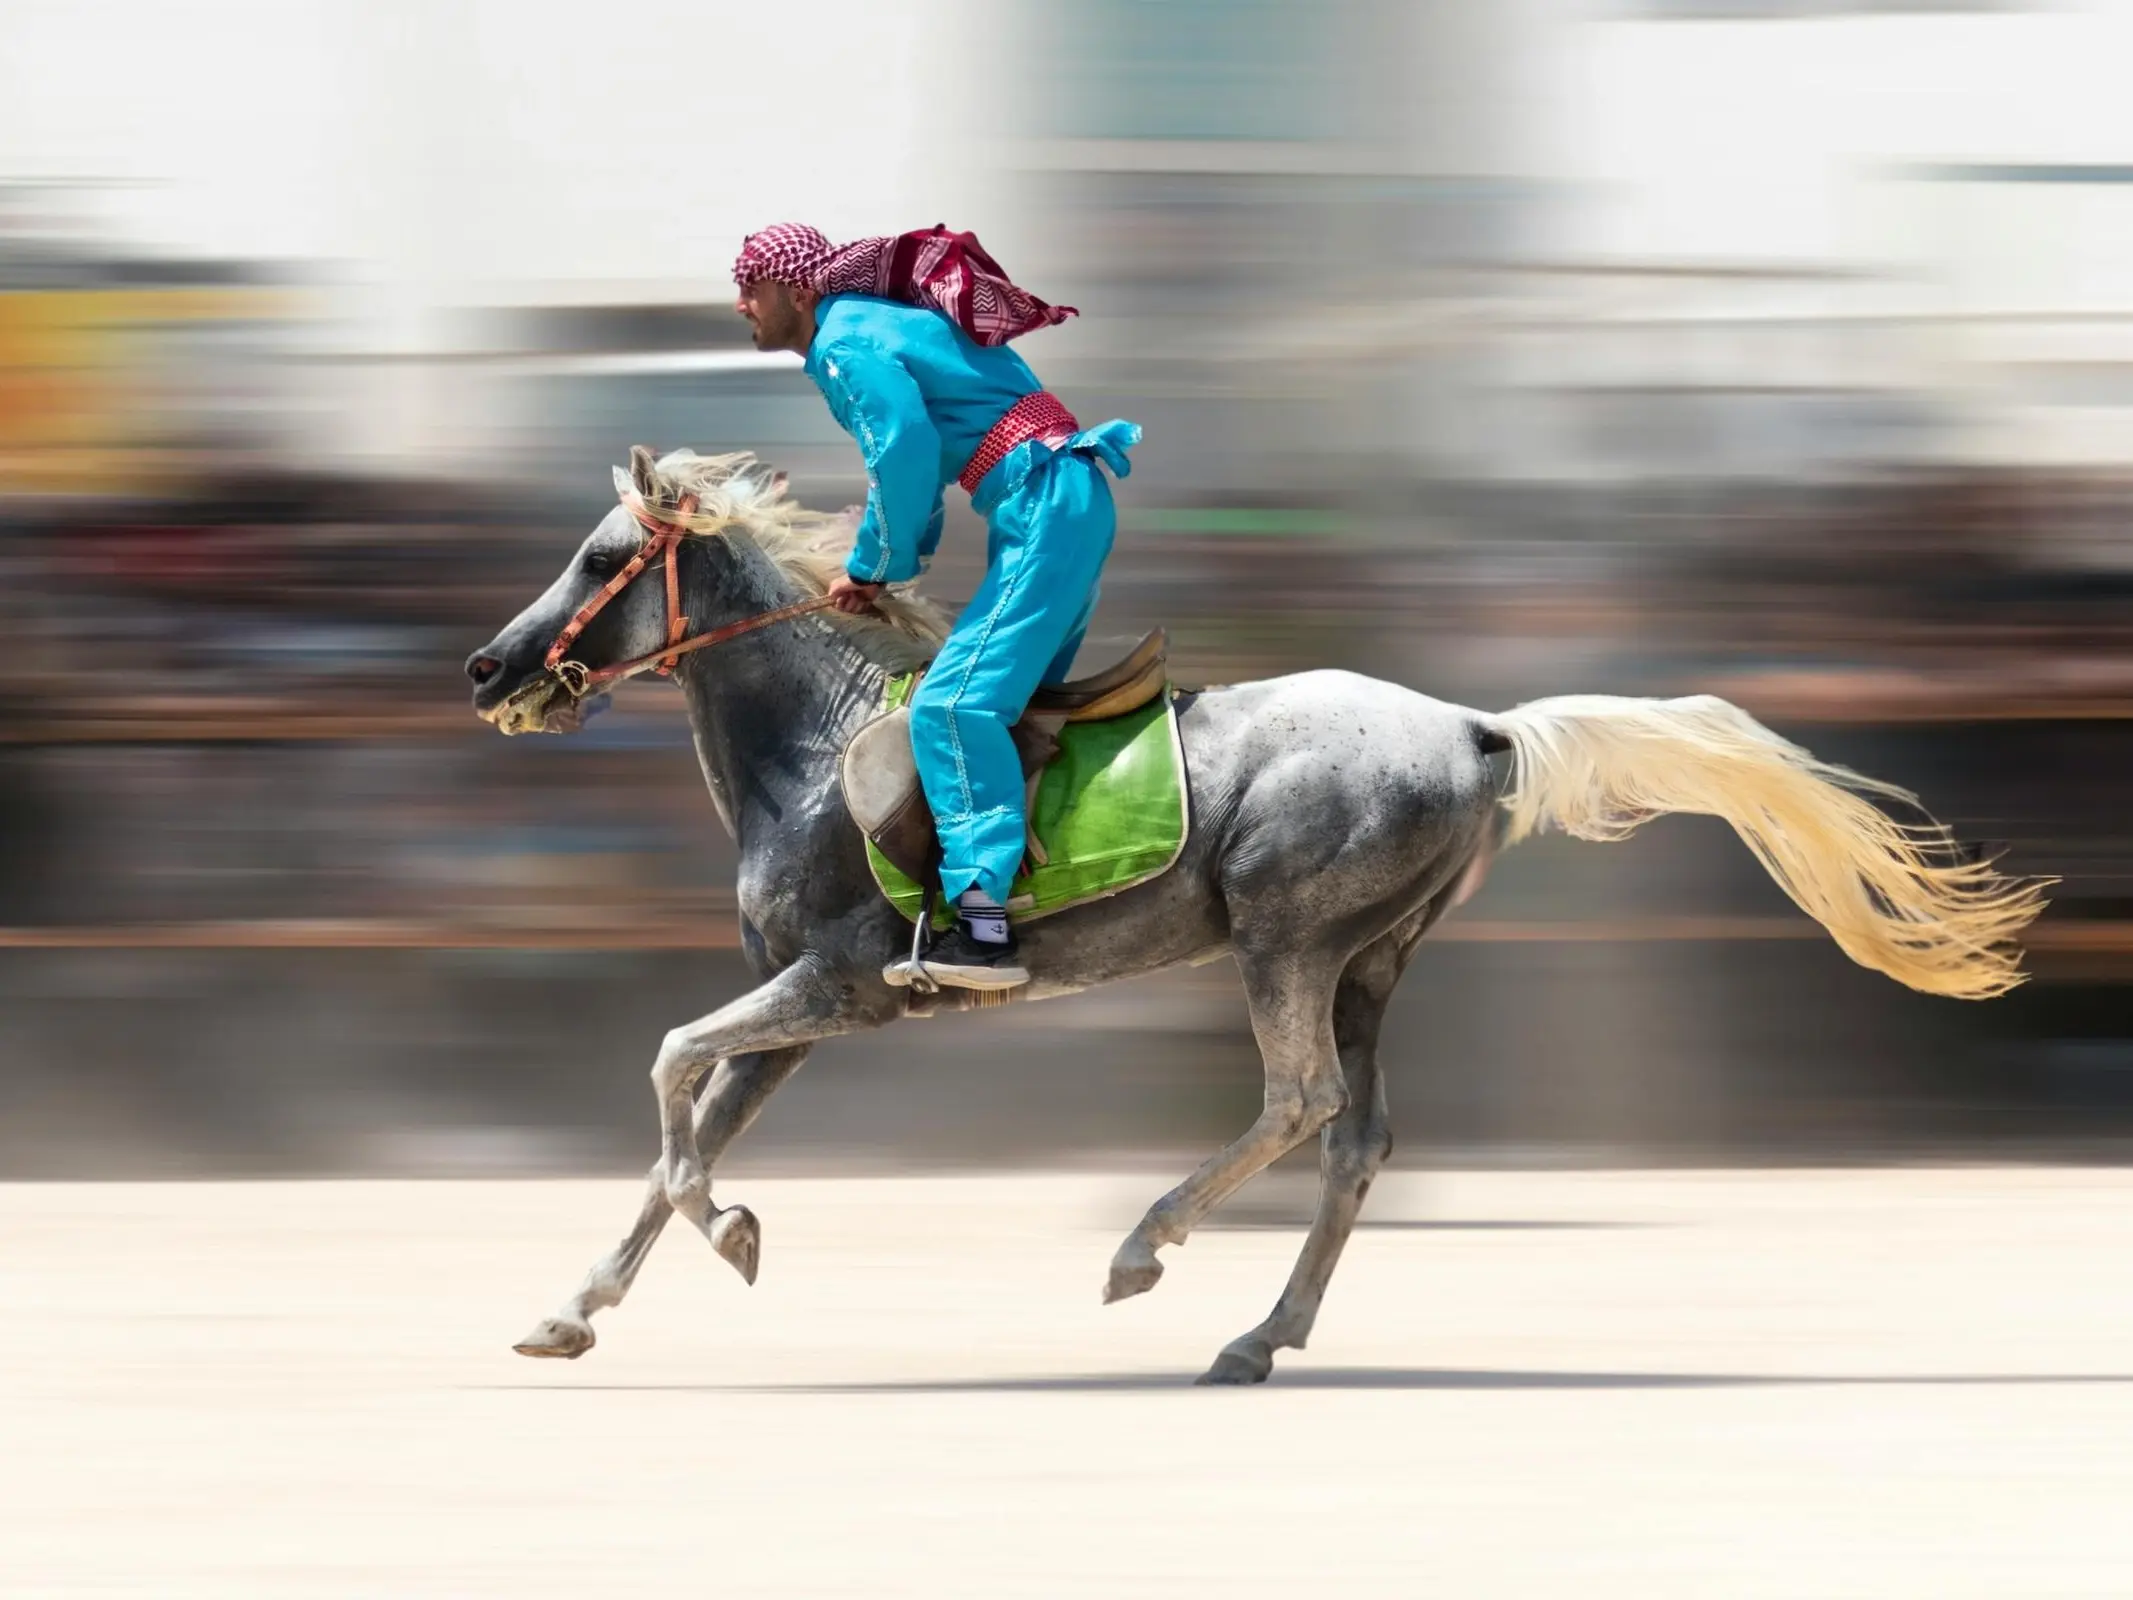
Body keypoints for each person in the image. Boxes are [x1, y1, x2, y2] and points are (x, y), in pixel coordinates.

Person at [732, 223, 1140, 991]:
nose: (739, 304)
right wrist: (882, 569)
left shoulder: (842, 345)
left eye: (750, 286)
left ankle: (985, 932)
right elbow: (910, 463)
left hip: (1045, 505)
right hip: (1053, 500)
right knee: (1006, 713)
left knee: (951, 711)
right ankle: (1035, 888)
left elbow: (903, 453)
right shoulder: (869, 326)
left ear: (797, 291)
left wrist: (872, 565)